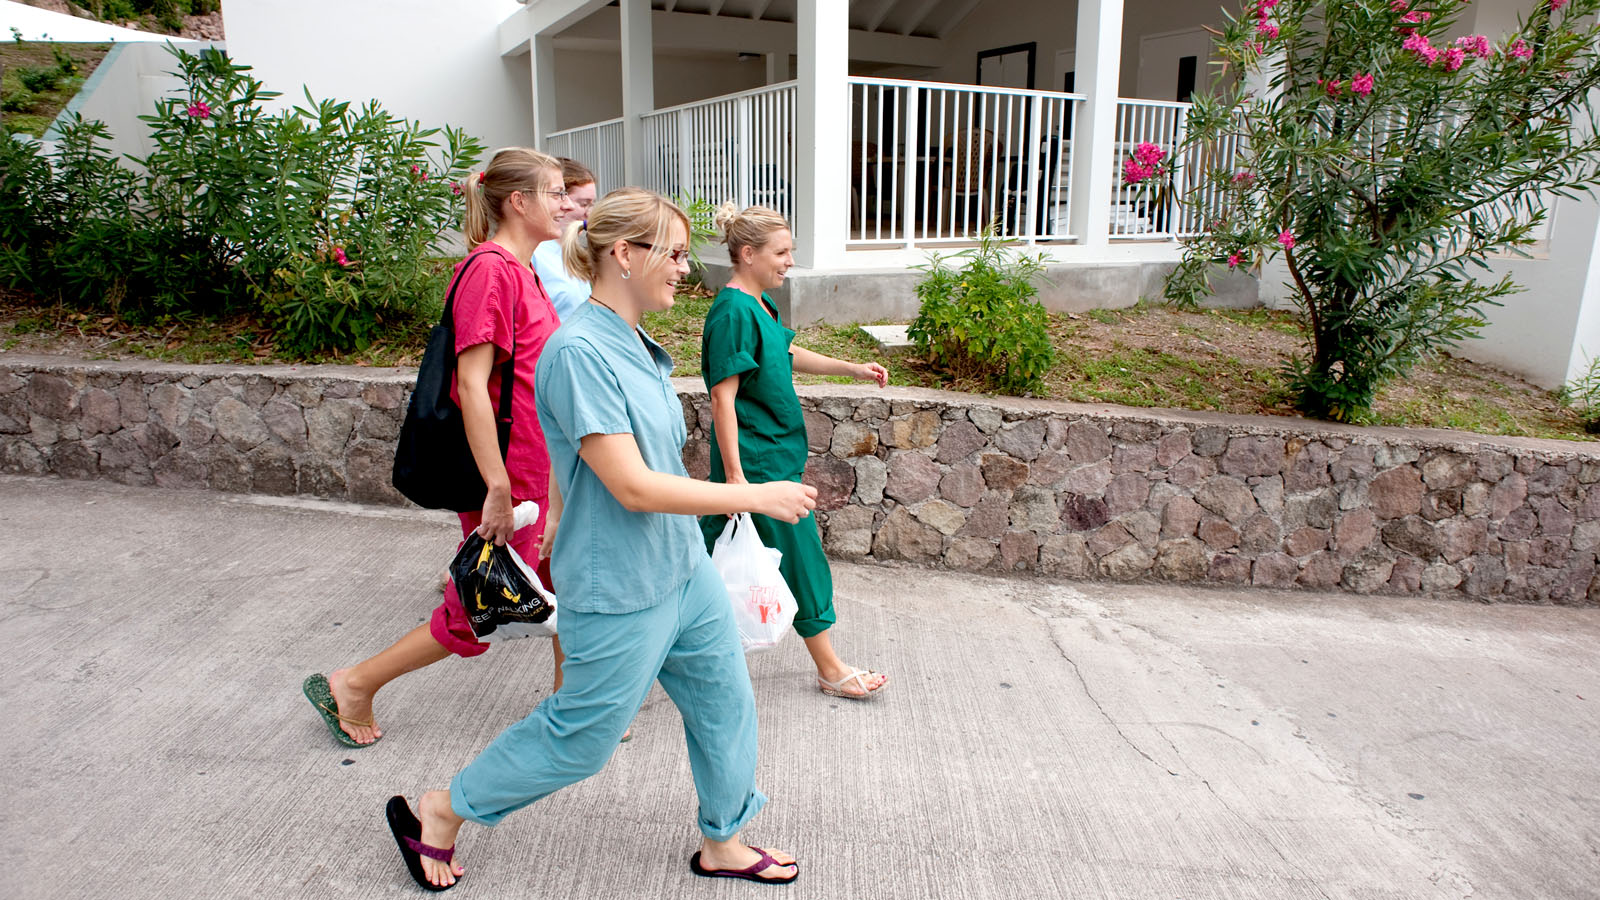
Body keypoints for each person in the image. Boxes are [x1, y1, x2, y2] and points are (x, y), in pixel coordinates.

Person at [385, 188, 814, 891]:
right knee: (582, 738)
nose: (685, 269)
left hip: (681, 569)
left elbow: (581, 453)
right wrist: (752, 495)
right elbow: (634, 485)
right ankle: (441, 809)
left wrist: (556, 507)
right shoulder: (580, 351)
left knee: (726, 702)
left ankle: (725, 839)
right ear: (624, 253)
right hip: (620, 584)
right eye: (673, 254)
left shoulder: (639, 345)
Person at [302, 148, 575, 748]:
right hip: (511, 476)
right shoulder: (491, 270)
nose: (565, 203)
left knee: (564, 576)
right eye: (554, 192)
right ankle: (354, 683)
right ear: (518, 201)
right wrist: (498, 488)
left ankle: (569, 706)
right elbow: (471, 385)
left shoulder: (525, 268)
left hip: (540, 467)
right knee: (480, 611)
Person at [700, 203, 890, 700]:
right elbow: (722, 396)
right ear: (747, 254)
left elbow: (786, 352)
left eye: (791, 251)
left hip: (774, 457)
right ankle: (829, 667)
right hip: (758, 464)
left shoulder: (759, 304)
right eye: (781, 252)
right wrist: (738, 479)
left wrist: (852, 368)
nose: (789, 261)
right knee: (801, 559)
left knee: (704, 559)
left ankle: (643, 660)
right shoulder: (733, 311)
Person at [533, 158, 598, 322]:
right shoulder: (535, 254)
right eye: (583, 204)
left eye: (592, 204)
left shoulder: (571, 251)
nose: (589, 214)